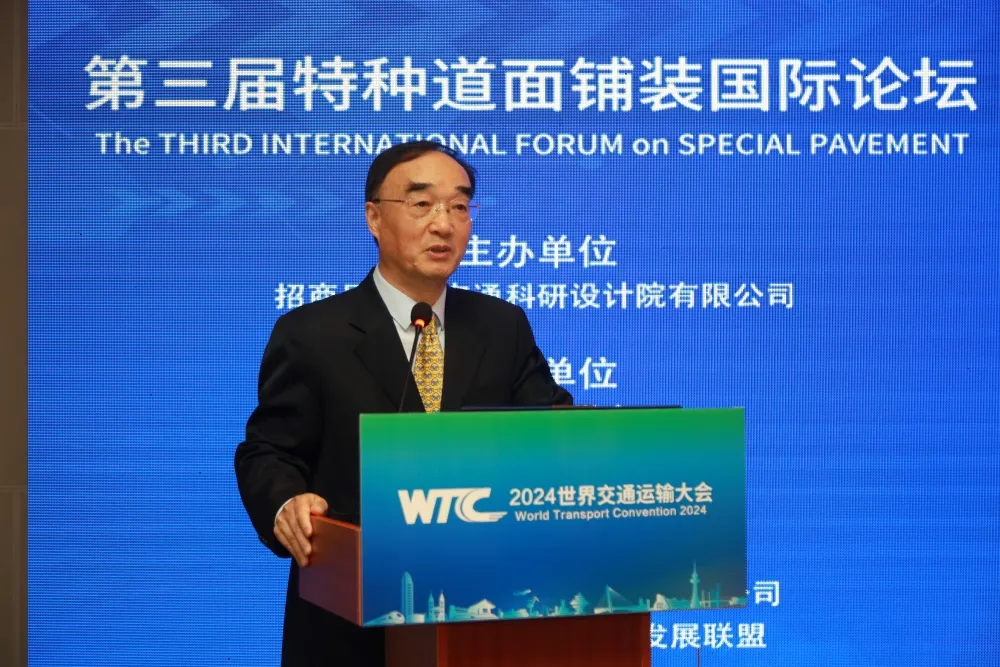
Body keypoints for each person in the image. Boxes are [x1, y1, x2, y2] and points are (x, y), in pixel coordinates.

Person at [234, 141, 573, 666]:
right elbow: (269, 450)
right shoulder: (312, 334)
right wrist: (288, 502)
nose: (444, 224)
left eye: (459, 206)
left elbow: (552, 429)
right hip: (350, 625)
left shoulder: (501, 326)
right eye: (422, 204)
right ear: (373, 218)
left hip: (484, 617)